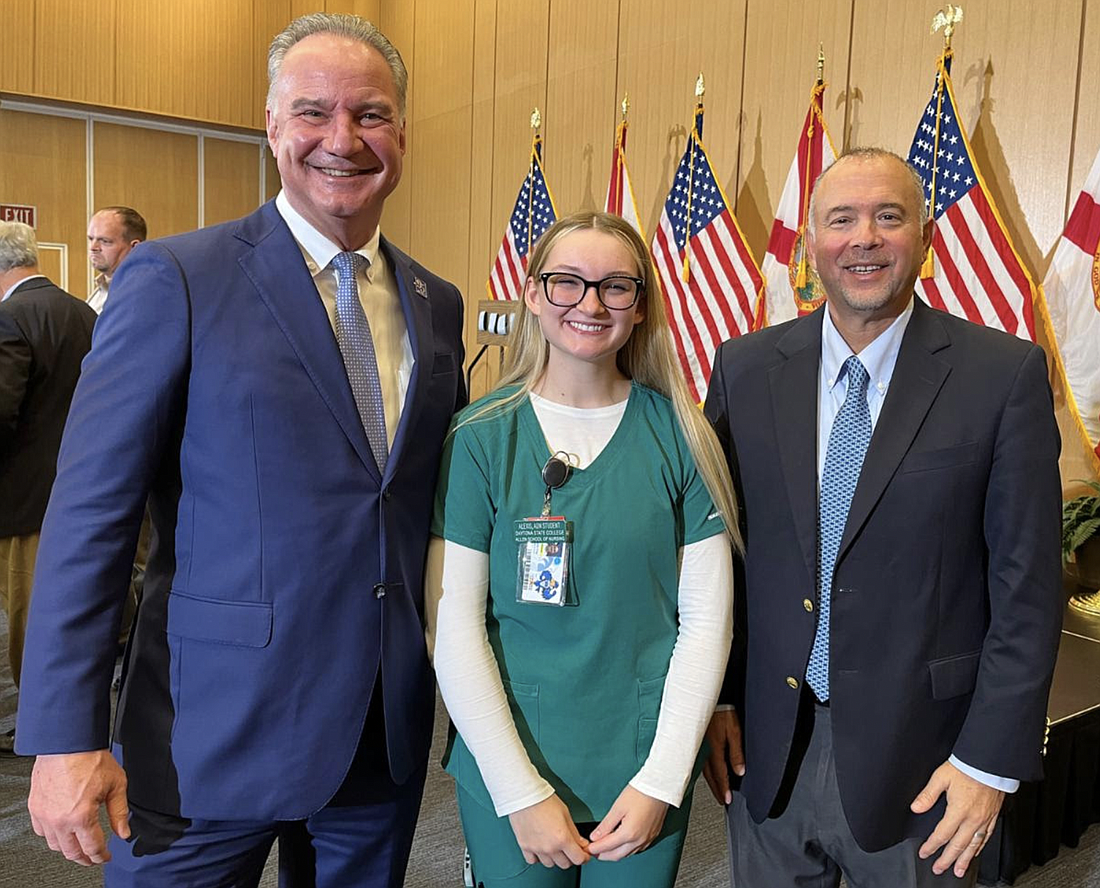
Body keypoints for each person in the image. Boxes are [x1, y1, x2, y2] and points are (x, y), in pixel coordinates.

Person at [16, 13, 466, 887]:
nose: (343, 139)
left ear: (402, 133)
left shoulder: (434, 302)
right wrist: (64, 736)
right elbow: (89, 517)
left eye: (370, 114)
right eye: (313, 112)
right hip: (204, 737)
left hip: (380, 734)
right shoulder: (178, 277)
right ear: (270, 126)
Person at [702, 148, 1063, 887]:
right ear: (810, 246)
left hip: (929, 767)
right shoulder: (743, 368)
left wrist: (989, 761)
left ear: (925, 241)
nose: (864, 237)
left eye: (889, 216)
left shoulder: (1004, 375)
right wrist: (723, 698)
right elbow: (727, 561)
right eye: (841, 219)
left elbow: (1027, 592)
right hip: (771, 755)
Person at [427, 211, 736, 887]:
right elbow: (453, 629)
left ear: (641, 305)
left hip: (645, 768)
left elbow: (707, 624)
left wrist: (661, 780)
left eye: (614, 286)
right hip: (511, 768)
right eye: (567, 282)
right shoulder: (479, 438)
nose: (590, 304)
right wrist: (519, 792)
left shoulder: (681, 435)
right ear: (533, 294)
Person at [0, 221, 96, 757]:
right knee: (67, 611)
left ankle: (42, 725)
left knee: (28, 619)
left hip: (25, 500)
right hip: (77, 490)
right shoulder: (81, 311)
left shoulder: (10, 316)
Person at [86, 207, 146, 314]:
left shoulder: (143, 294)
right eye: (91, 239)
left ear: (135, 247)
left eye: (105, 241)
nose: (93, 247)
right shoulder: (103, 286)